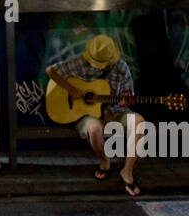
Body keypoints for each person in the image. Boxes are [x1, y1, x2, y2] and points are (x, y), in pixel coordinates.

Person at [45, 34, 144, 196]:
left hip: (114, 111)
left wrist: (126, 101)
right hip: (87, 115)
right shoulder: (81, 63)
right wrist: (71, 90)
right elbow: (51, 71)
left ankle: (127, 171)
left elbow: (129, 95)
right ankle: (105, 160)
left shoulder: (121, 68)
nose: (97, 66)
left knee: (140, 122)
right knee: (94, 129)